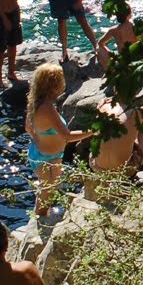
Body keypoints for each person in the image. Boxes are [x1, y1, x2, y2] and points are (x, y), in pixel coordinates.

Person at [25, 63, 93, 216]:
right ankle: (39, 228)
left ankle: (40, 220)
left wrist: (40, 139)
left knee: (47, 192)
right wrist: (93, 132)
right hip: (45, 158)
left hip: (48, 155)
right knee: (46, 196)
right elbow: (67, 136)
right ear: (54, 84)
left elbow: (28, 128)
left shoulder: (35, 103)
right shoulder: (47, 108)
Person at [91, 99, 143, 173]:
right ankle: (139, 165)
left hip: (97, 167)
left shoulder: (102, 106)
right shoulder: (139, 111)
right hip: (122, 172)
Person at [95, 3, 136, 70]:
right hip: (136, 60)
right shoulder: (136, 28)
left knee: (99, 48)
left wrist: (112, 54)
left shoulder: (114, 30)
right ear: (129, 15)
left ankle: (110, 71)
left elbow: (100, 43)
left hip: (122, 61)